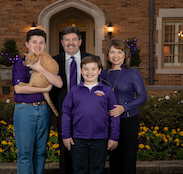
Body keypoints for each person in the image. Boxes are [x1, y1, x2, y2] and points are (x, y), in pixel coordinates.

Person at [12, 29, 63, 174]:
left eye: (41, 43)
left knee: (40, 153)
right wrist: (44, 88)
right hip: (25, 110)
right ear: (27, 44)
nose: (38, 46)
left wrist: (39, 68)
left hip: (44, 109)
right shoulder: (20, 63)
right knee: (25, 154)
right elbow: (19, 89)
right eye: (34, 42)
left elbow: (58, 83)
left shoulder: (48, 61)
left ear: (45, 45)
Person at [61, 55, 120, 174]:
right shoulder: (74, 91)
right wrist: (66, 135)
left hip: (100, 138)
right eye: (86, 69)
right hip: (78, 139)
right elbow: (66, 113)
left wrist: (114, 137)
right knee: (78, 170)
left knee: (98, 170)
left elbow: (114, 115)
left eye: (93, 69)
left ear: (99, 71)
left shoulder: (107, 91)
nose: (89, 72)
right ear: (81, 71)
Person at [99, 39, 147, 174]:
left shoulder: (133, 74)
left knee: (128, 157)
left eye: (119, 52)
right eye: (112, 52)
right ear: (107, 55)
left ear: (125, 55)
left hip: (128, 119)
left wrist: (123, 108)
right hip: (108, 120)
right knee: (113, 157)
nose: (115, 55)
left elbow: (142, 96)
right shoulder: (102, 74)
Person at [50, 26, 91, 174]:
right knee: (65, 149)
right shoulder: (54, 62)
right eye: (67, 40)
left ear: (80, 41)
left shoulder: (91, 60)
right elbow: (50, 89)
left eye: (74, 39)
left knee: (86, 149)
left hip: (87, 113)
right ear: (62, 42)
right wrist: (54, 112)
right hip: (63, 113)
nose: (70, 43)